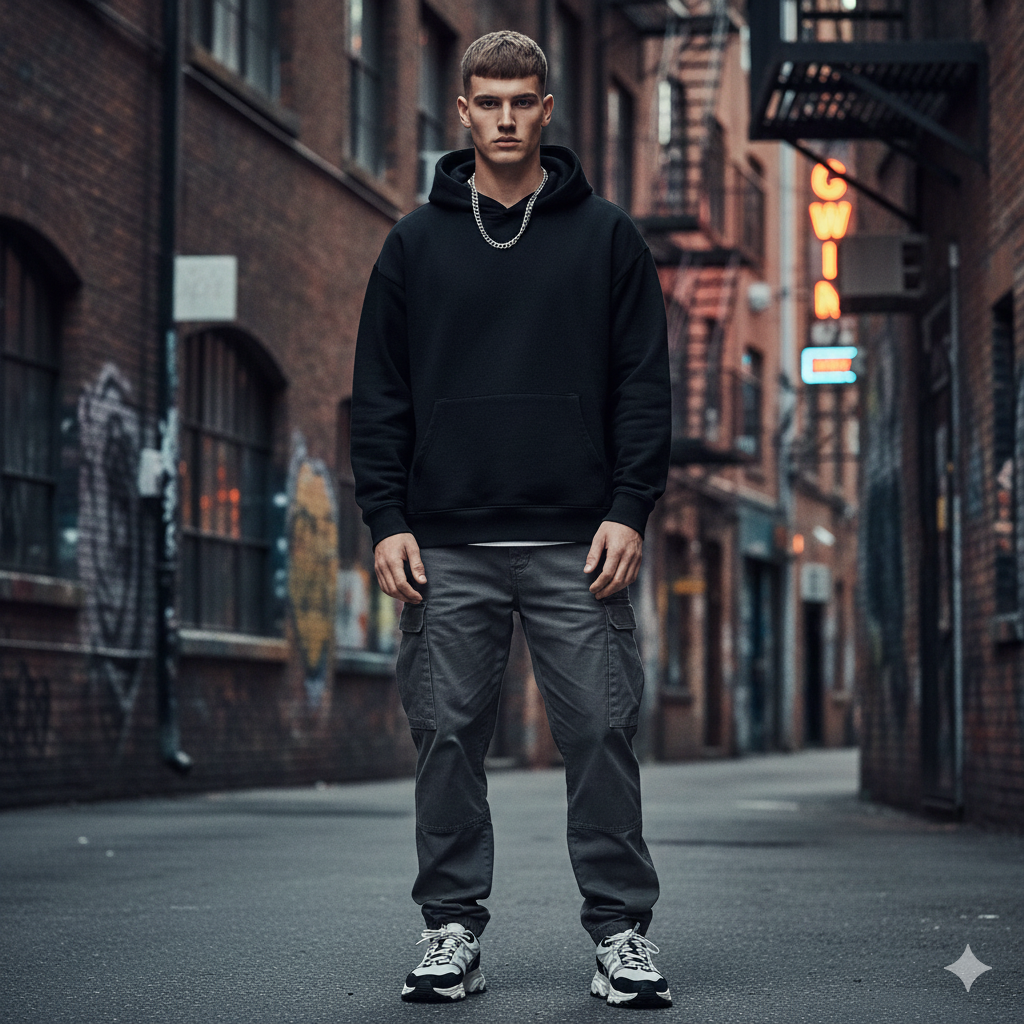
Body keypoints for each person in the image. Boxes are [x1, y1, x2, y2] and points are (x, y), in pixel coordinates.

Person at [351, 30, 672, 1009]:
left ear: (545, 109)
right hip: (446, 543)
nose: (503, 117)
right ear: (461, 110)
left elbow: (643, 387)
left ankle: (620, 935)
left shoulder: (606, 235)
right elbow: (380, 395)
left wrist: (629, 506)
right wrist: (385, 516)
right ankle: (450, 929)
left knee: (601, 735)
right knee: (446, 737)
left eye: (520, 101)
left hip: (579, 544)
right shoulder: (412, 243)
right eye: (486, 101)